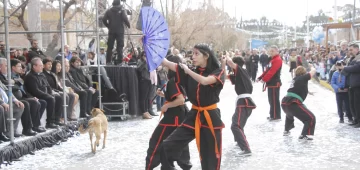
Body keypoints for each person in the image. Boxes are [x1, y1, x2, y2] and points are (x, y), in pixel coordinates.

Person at [160, 44, 225, 170]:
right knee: (168, 145)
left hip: (210, 116)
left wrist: (188, 71)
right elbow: (166, 63)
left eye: (196, 54)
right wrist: (148, 45)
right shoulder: (191, 71)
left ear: (206, 56)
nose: (193, 57)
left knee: (210, 157)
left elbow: (205, 81)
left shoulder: (218, 72)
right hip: (194, 115)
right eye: (192, 53)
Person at [145, 55, 191, 170]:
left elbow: (180, 100)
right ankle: (179, 166)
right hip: (180, 116)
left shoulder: (172, 81)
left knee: (156, 142)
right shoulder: (179, 79)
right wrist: (165, 95)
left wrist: (167, 105)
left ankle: (151, 166)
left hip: (173, 118)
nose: (164, 67)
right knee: (178, 144)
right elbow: (179, 97)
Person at [222, 55, 256, 156]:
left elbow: (232, 64)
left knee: (235, 125)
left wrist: (227, 57)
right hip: (243, 101)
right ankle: (239, 141)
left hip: (244, 102)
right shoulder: (238, 74)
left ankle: (246, 149)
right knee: (237, 123)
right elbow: (224, 77)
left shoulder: (241, 70)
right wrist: (223, 65)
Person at [281, 66, 316, 140]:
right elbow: (312, 72)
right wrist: (312, 67)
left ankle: (286, 130)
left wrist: (309, 92)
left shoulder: (295, 79)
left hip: (285, 103)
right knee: (311, 118)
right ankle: (305, 135)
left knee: (289, 114)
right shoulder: (303, 78)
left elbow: (298, 88)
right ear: (304, 73)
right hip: (293, 103)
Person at [257, 46, 282, 121]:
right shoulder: (272, 60)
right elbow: (267, 70)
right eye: (270, 51)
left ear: (277, 51)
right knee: (271, 100)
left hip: (274, 82)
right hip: (271, 82)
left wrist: (264, 79)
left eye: (273, 51)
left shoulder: (277, 60)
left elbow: (272, 71)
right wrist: (260, 77)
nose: (271, 52)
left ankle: (275, 116)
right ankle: (272, 114)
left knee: (274, 100)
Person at [102, 0, 131, 64]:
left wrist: (108, 26)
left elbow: (104, 19)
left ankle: (108, 61)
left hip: (111, 30)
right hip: (120, 31)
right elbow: (125, 19)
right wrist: (129, 25)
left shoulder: (108, 11)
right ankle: (120, 61)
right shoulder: (122, 10)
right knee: (120, 46)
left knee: (110, 46)